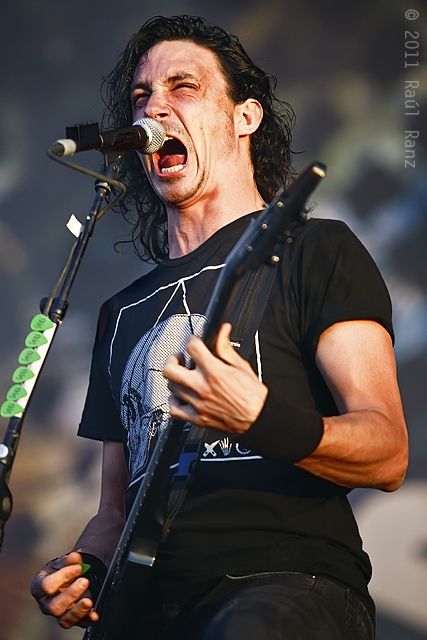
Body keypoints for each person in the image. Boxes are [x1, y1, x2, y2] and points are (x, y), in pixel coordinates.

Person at [30, 14, 408, 639]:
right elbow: (114, 511)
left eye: (183, 87)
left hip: (284, 583)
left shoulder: (315, 250)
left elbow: (387, 451)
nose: (154, 108)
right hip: (147, 607)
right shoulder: (121, 314)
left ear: (244, 117)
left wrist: (260, 417)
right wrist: (84, 568)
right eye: (142, 96)